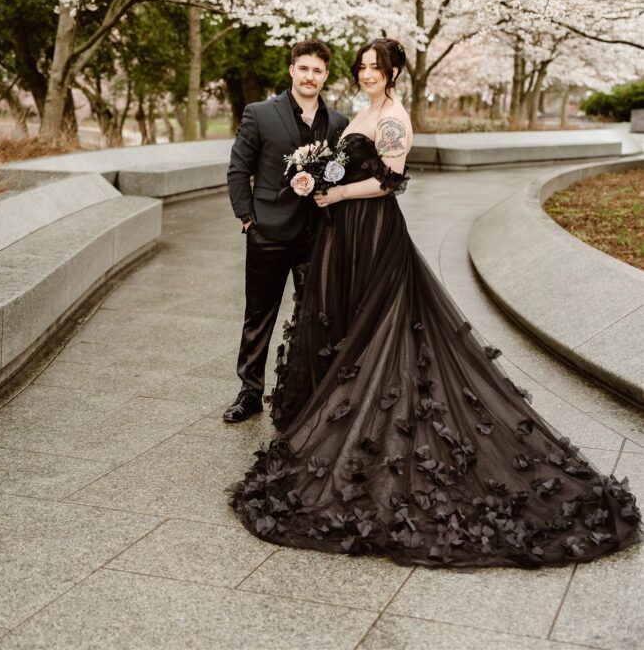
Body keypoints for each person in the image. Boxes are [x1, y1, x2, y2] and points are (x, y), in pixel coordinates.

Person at [229, 37, 641, 567]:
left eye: (374, 68)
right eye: (361, 67)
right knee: (345, 320)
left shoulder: (393, 115)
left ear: (394, 72)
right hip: (340, 231)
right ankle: (294, 395)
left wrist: (337, 194)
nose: (366, 74)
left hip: (371, 230)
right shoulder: (362, 110)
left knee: (379, 324)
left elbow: (390, 179)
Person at [223, 39, 349, 423]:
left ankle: (302, 392)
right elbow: (237, 169)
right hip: (269, 232)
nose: (310, 76)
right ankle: (249, 393)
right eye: (304, 68)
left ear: (325, 76)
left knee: (313, 316)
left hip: (317, 236)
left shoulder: (339, 123)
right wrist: (248, 219)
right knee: (259, 315)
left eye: (318, 71)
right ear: (292, 70)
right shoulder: (260, 113)